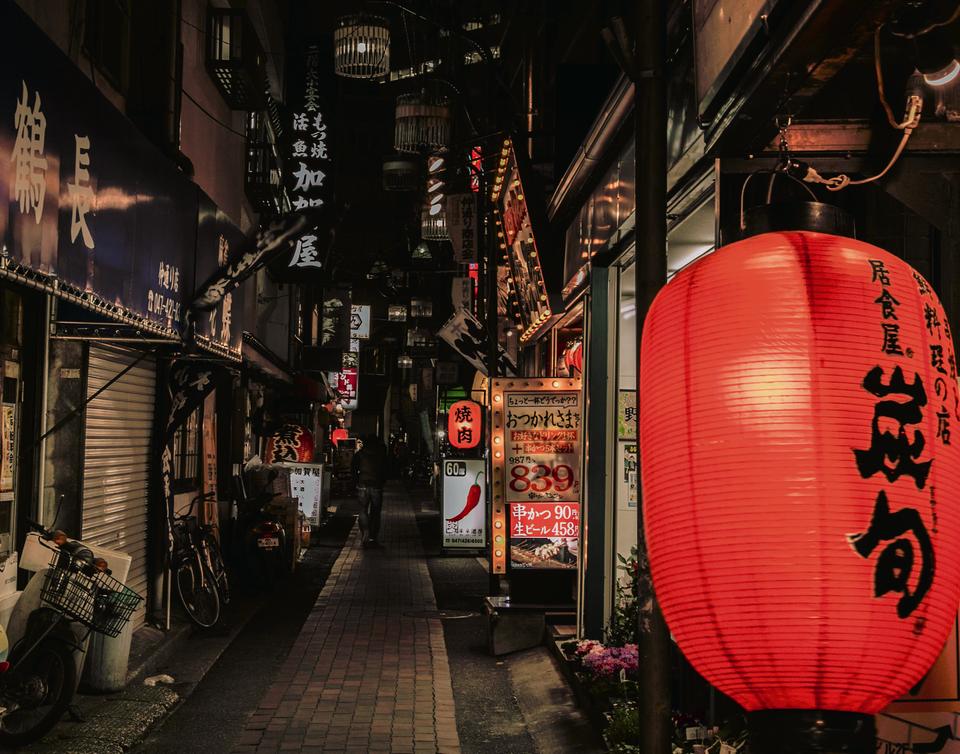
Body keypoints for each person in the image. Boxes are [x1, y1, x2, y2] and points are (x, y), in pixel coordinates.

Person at [351, 435, 388, 546]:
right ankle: (373, 537)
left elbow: (353, 469)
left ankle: (365, 533)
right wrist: (382, 481)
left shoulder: (359, 454)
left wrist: (356, 481)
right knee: (375, 512)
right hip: (376, 485)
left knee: (362, 510)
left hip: (362, 484)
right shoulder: (381, 455)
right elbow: (386, 469)